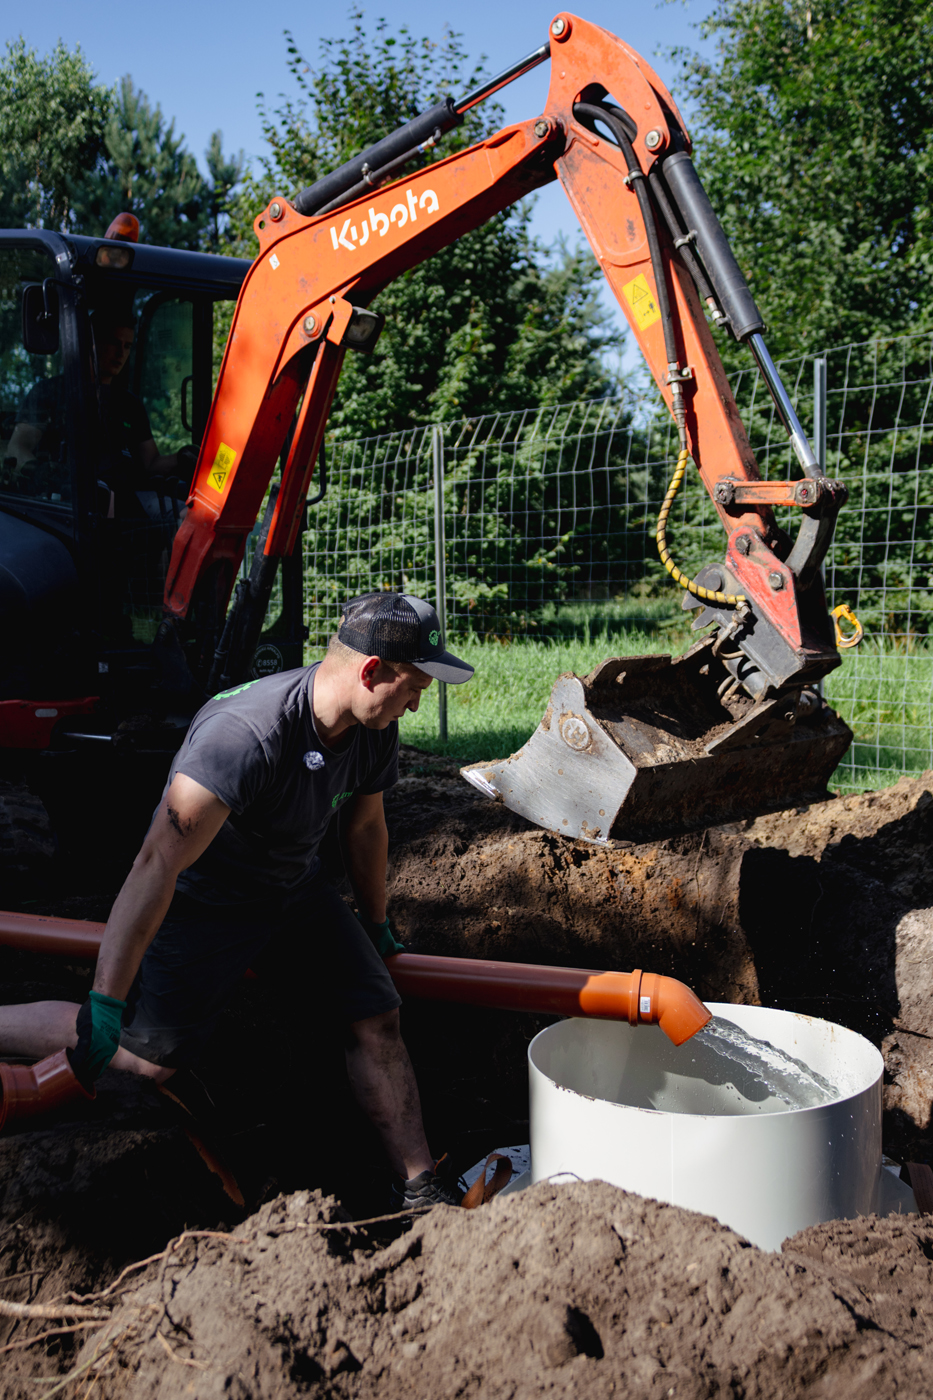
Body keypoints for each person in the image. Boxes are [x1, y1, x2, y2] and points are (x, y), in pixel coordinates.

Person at [0, 592, 474, 1209]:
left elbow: (364, 828)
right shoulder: (244, 737)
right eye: (413, 687)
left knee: (377, 1011)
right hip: (209, 899)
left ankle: (419, 1187)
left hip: (294, 890)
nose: (416, 704)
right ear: (371, 671)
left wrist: (376, 924)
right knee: (145, 1065)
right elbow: (156, 863)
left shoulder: (371, 726)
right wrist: (106, 997)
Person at [5, 312, 194, 509]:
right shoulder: (51, 393)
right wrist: (46, 475)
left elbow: (151, 463)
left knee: (189, 516)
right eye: (114, 343)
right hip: (67, 506)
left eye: (127, 346)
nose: (121, 353)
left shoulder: (129, 404)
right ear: (90, 343)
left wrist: (184, 458)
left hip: (126, 504)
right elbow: (17, 448)